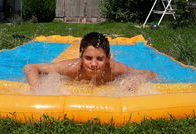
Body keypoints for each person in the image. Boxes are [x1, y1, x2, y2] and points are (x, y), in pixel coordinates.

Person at [23, 32, 158, 91]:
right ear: (81, 57)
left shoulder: (114, 69)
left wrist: (134, 80)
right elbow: (30, 68)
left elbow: (150, 74)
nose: (93, 64)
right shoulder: (71, 68)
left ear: (108, 58)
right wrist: (38, 89)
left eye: (100, 59)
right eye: (88, 58)